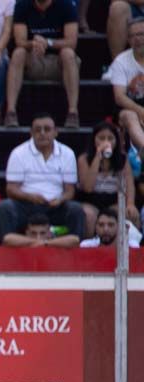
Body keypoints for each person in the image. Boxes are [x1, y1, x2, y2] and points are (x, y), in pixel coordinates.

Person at [0, 111, 84, 241]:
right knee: (5, 207)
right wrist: (30, 197)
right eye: (38, 130)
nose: (42, 133)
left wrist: (60, 200)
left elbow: (70, 190)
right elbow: (11, 189)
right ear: (31, 133)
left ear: (56, 132)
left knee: (75, 209)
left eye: (47, 129)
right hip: (26, 205)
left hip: (55, 206)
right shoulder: (18, 153)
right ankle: (9, 247)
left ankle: (76, 251)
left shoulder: (67, 153)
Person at [4, 0, 79, 129]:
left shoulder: (66, 5)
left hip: (58, 62)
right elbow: (20, 41)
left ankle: (73, 112)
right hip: (33, 59)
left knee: (68, 53)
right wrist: (34, 43)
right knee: (18, 53)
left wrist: (48, 42)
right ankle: (10, 111)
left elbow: (72, 42)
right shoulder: (23, 5)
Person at [77, 121, 137, 235]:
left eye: (110, 138)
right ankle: (89, 247)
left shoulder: (122, 159)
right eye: (101, 138)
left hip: (113, 199)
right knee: (89, 216)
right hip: (91, 199)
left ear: (116, 141)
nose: (106, 141)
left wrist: (130, 203)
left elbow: (129, 184)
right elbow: (88, 187)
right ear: (94, 139)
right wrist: (97, 157)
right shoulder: (84, 159)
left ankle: (126, 248)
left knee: (130, 214)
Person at [111, 19, 144, 152]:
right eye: (133, 36)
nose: (137, 39)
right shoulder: (121, 61)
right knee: (130, 116)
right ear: (128, 40)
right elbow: (119, 97)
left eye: (141, 34)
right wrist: (141, 111)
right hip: (129, 106)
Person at [2, 212, 79, 246]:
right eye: (33, 233)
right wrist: (39, 242)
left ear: (49, 232)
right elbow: (7, 239)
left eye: (42, 233)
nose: (38, 237)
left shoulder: (56, 243)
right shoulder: (22, 242)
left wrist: (46, 243)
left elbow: (75, 240)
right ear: (27, 232)